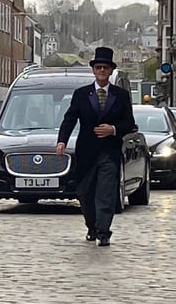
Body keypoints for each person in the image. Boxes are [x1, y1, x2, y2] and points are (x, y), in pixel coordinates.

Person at [56, 47, 136, 247]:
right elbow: (70, 119)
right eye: (98, 67)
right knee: (85, 193)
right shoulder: (82, 94)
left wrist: (114, 129)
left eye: (105, 67)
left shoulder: (121, 95)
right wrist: (61, 141)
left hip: (109, 152)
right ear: (93, 70)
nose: (101, 70)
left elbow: (130, 123)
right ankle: (92, 226)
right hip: (87, 152)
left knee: (106, 193)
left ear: (110, 71)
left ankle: (103, 231)